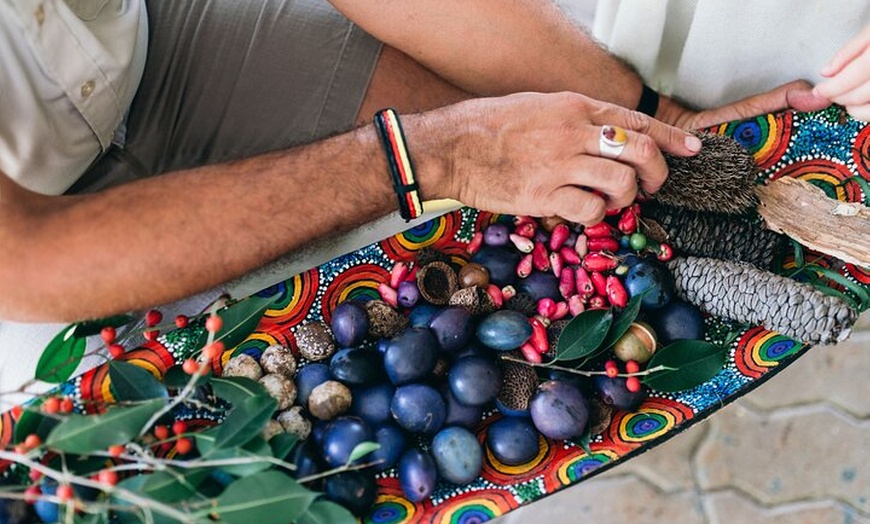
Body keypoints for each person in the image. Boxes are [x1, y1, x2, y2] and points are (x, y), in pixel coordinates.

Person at [0, 0, 837, 398]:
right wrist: (433, 153)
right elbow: (25, 260)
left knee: (531, 232)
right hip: (29, 250)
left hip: (149, 41)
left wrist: (654, 117)